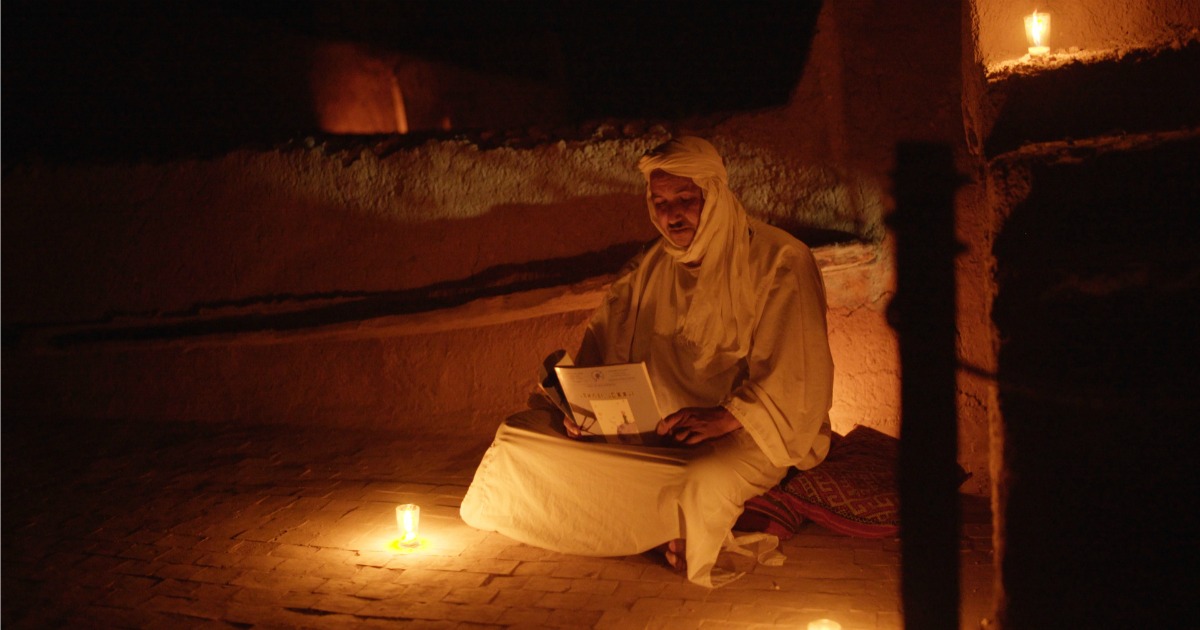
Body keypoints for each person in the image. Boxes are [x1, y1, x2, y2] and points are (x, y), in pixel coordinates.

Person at [459, 136, 834, 587]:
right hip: (648, 428)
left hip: (746, 431)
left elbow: (797, 379)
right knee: (518, 438)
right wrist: (582, 411)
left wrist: (725, 417)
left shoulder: (780, 261)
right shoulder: (649, 266)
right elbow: (602, 356)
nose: (671, 214)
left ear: (714, 195)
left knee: (700, 478)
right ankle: (656, 530)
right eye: (659, 202)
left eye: (685, 199)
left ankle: (648, 528)